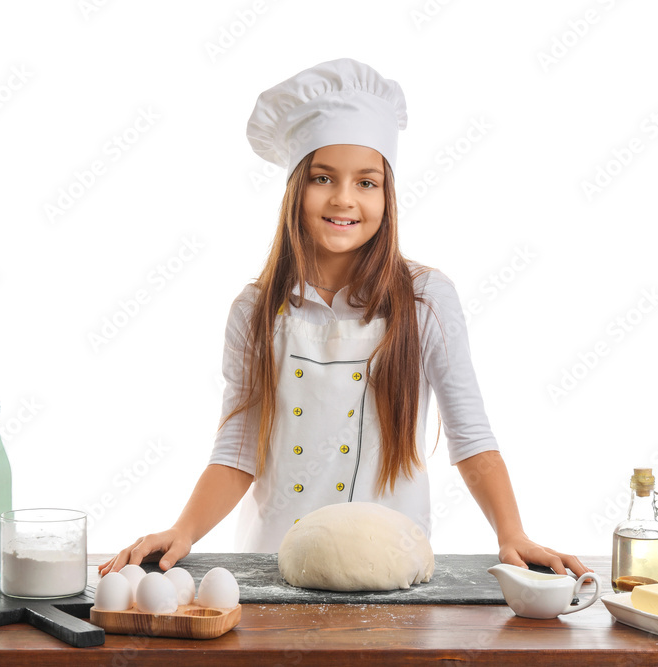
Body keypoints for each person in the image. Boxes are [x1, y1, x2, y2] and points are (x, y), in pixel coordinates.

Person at [99, 58, 591, 579]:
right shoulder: (256, 310)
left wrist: (511, 534)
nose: (344, 199)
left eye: (367, 182)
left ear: (387, 194)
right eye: (323, 178)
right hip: (274, 564)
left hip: (392, 566)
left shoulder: (425, 298)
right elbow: (238, 447)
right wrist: (184, 530)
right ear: (296, 189)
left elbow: (471, 436)